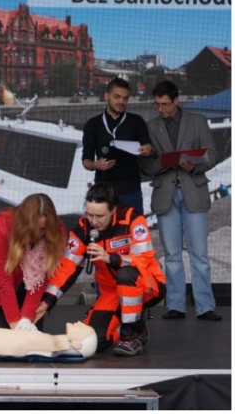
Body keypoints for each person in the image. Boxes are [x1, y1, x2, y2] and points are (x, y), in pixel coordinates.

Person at [40, 183, 166, 356]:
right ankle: (128, 325)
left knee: (126, 273)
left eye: (100, 216)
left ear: (113, 210)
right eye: (89, 214)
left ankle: (131, 335)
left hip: (148, 286)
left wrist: (112, 258)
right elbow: (67, 268)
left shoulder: (132, 220)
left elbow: (143, 260)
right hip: (111, 292)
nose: (93, 221)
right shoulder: (83, 230)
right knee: (93, 342)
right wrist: (47, 300)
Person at [140, 80, 221, 321]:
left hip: (193, 190)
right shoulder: (150, 127)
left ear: (176, 101)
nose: (160, 109)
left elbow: (213, 155)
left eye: (164, 104)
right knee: (172, 254)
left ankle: (206, 306)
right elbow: (144, 166)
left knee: (199, 254)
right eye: (157, 104)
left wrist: (194, 165)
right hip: (164, 193)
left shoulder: (197, 122)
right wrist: (163, 163)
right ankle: (175, 305)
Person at [0, 194, 65, 332]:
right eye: (33, 228)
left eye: (43, 229)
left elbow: (40, 280)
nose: (38, 234)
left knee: (30, 343)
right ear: (24, 223)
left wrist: (26, 319)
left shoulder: (55, 231)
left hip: (31, 290)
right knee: (0, 344)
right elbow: (3, 281)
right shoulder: (1, 225)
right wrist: (15, 324)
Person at [82, 77, 154, 214]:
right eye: (117, 97)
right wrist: (95, 165)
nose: (121, 102)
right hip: (102, 192)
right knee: (104, 233)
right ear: (106, 96)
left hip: (131, 190)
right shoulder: (93, 124)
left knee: (132, 231)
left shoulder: (136, 121)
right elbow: (86, 160)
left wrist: (148, 150)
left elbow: (149, 148)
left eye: (125, 98)